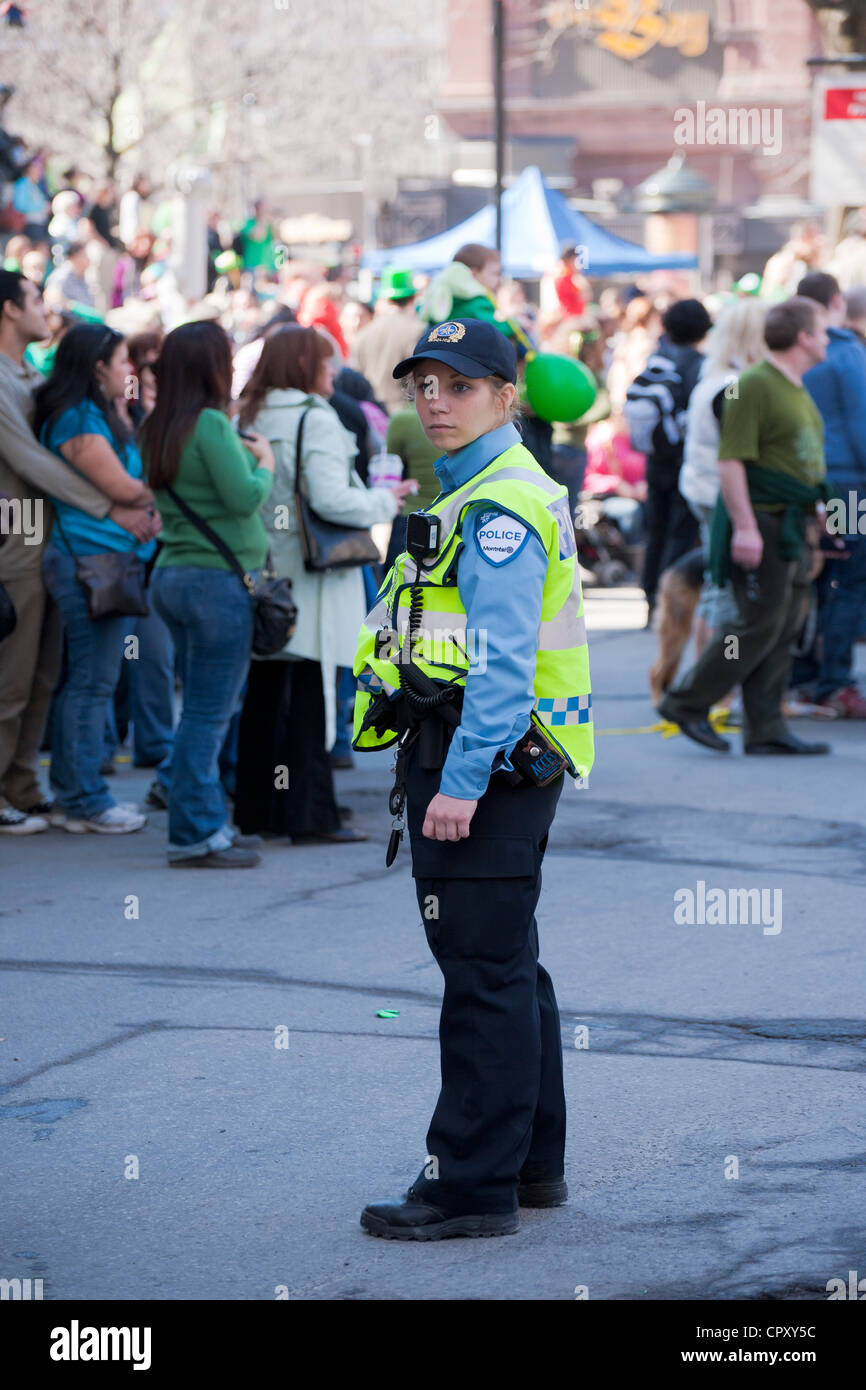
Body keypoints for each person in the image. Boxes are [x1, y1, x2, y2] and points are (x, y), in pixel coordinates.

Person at [353, 318, 594, 1239]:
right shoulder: (486, 488)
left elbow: (499, 667)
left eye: (458, 385)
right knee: (508, 966)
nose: (435, 402)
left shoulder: (496, 507)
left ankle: (469, 1185)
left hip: (483, 760)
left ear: (507, 394)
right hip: (494, 755)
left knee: (481, 977)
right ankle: (530, 1165)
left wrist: (459, 784)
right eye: (423, 385)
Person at [232, 325, 411, 842]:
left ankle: (258, 812)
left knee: (265, 698)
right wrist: (385, 501)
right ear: (304, 365)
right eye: (326, 362)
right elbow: (333, 499)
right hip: (315, 575)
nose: (333, 371)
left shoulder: (249, 414)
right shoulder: (316, 417)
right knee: (310, 697)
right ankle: (309, 815)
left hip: (267, 572)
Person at [0, 272, 151, 834]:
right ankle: (40, 794)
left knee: (45, 679)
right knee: (18, 681)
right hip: (22, 543)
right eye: (35, 298)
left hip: (45, 540)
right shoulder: (20, 387)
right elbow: (35, 465)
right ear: (9, 310)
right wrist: (109, 507)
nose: (47, 308)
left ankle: (25, 786)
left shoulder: (28, 376)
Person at [658, 297, 831, 757]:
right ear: (804, 337)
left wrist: (817, 509)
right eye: (824, 329)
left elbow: (796, 457)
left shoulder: (786, 384)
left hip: (788, 522)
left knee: (780, 625)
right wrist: (746, 527)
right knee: (752, 626)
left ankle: (765, 725)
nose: (830, 337)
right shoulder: (747, 385)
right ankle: (688, 701)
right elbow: (731, 459)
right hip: (764, 523)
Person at [140, 320, 275, 867]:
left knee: (199, 707)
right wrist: (263, 463)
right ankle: (196, 834)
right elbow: (244, 499)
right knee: (207, 713)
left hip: (173, 574)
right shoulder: (212, 426)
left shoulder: (157, 424)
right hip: (216, 581)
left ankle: (207, 821)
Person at [35, 323, 159, 832]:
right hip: (90, 564)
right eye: (124, 360)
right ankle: (84, 800)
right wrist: (149, 498)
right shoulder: (76, 418)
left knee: (91, 681)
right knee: (91, 682)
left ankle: (76, 794)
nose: (131, 371)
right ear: (97, 367)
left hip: (107, 562)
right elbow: (126, 489)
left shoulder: (102, 414)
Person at [795, 271, 866, 718]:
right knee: (846, 582)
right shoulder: (847, 352)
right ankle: (833, 682)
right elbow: (862, 426)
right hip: (847, 488)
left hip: (804, 483)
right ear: (835, 302)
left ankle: (803, 678)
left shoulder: (787, 351)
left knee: (813, 582)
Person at [628, 298, 711, 619]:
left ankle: (650, 597)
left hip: (656, 459)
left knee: (656, 531)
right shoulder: (700, 364)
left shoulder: (656, 359)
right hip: (685, 460)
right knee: (680, 532)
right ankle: (667, 597)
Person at [350, 267, 421, 414]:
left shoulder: (363, 333)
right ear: (413, 298)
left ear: (384, 298)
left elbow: (354, 377)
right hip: (405, 416)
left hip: (372, 416)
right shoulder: (417, 330)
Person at [43, 242, 95, 312]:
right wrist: (73, 306)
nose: (88, 259)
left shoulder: (82, 274)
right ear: (75, 257)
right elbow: (52, 298)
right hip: (69, 319)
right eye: (84, 255)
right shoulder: (62, 275)